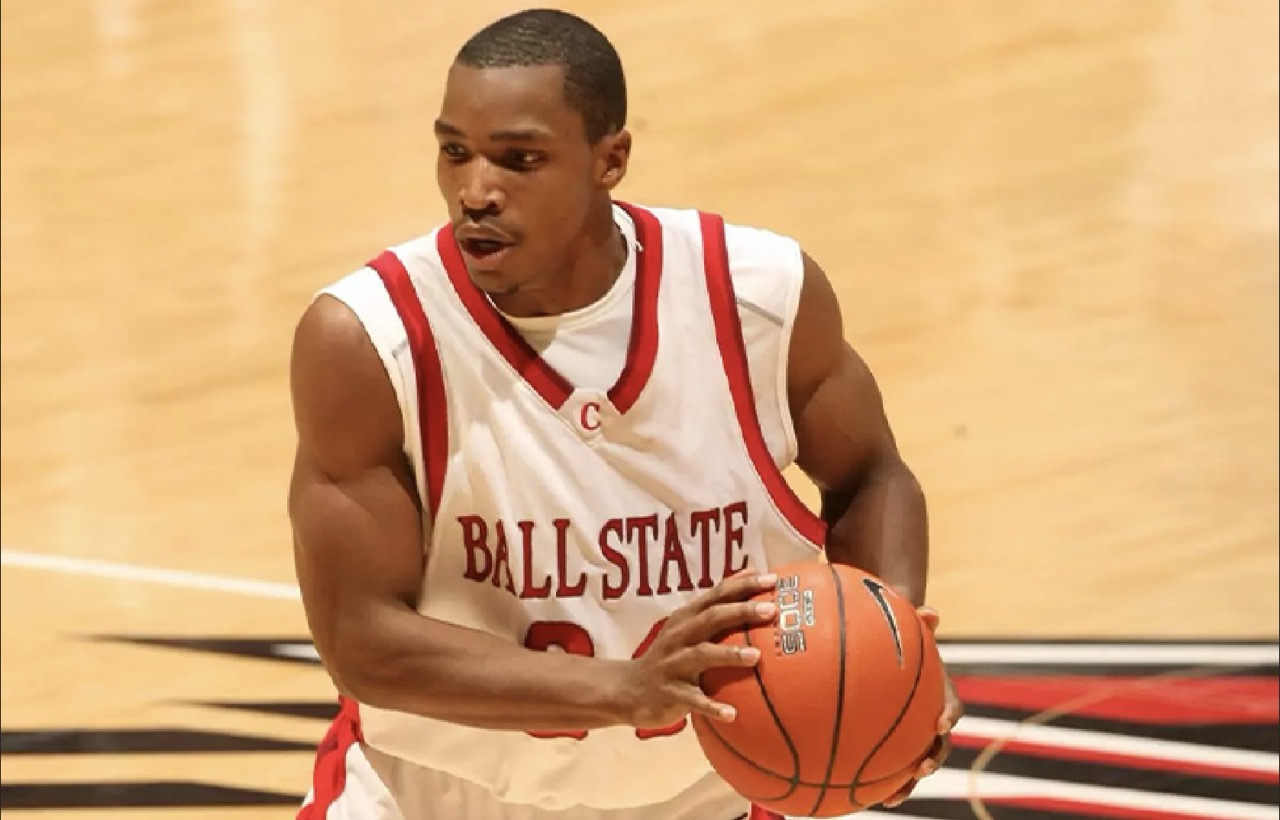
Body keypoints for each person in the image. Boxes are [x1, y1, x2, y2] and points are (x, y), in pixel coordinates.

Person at [287, 8, 963, 819]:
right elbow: (363, 642)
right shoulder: (369, 340)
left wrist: (891, 652)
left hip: (701, 798)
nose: (475, 192)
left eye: (519, 160)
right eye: (454, 153)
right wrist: (622, 689)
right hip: (433, 797)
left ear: (611, 160)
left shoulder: (754, 297)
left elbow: (870, 475)